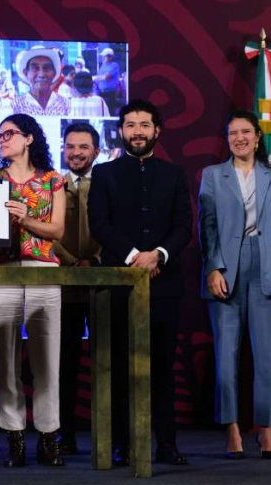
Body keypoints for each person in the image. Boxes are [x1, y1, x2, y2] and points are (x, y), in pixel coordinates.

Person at [88, 99, 192, 466]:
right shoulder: (104, 174)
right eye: (130, 125)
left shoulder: (174, 174)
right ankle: (122, 444)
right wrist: (135, 256)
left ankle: (166, 444)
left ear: (156, 130)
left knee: (163, 366)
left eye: (144, 125)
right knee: (117, 365)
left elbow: (184, 226)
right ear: (121, 131)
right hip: (119, 281)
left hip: (164, 283)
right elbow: (99, 224)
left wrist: (158, 255)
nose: (137, 132)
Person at [0, 113, 66, 468]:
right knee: (5, 358)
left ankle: (49, 436)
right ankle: (14, 437)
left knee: (47, 359)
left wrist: (24, 219)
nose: (2, 139)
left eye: (9, 133)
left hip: (43, 269)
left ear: (29, 138)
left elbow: (58, 230)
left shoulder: (52, 180)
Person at [198, 109, 271, 459]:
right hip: (226, 266)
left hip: (266, 266)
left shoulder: (270, 174)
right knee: (226, 355)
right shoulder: (213, 175)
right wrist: (213, 268)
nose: (239, 138)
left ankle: (266, 428)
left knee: (267, 357)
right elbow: (207, 226)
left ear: (258, 137)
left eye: (246, 132)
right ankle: (231, 428)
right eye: (232, 133)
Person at [52, 123, 102, 455]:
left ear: (96, 151)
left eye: (83, 147)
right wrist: (71, 262)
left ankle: (110, 436)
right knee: (63, 365)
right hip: (64, 286)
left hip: (102, 284)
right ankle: (64, 434)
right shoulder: (52, 186)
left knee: (106, 362)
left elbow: (116, 228)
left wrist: (95, 261)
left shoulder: (108, 185)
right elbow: (48, 233)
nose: (76, 153)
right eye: (70, 147)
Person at [12, 46, 70, 116]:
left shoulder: (66, 104)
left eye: (47, 68)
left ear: (54, 73)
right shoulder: (16, 105)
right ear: (26, 73)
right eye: (35, 68)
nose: (41, 75)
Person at [93, 47, 121, 115]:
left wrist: (96, 77)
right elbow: (100, 77)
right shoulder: (103, 66)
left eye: (104, 56)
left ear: (110, 57)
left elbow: (106, 77)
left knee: (109, 111)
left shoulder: (114, 65)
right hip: (101, 93)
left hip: (109, 93)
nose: (102, 58)